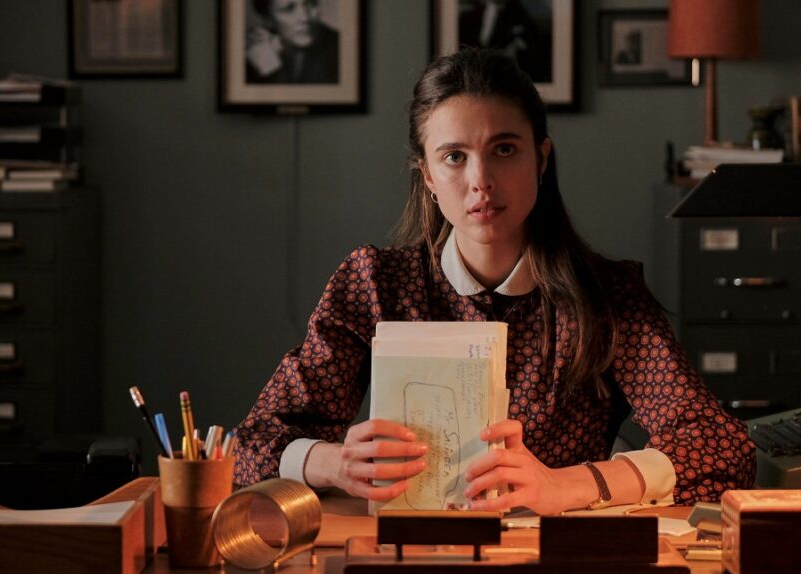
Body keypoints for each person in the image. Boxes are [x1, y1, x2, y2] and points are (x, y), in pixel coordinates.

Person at [233, 48, 755, 514]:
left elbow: (720, 447)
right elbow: (249, 445)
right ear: (429, 178)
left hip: (557, 560)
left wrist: (568, 486)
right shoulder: (376, 284)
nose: (480, 180)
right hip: (410, 556)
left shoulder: (606, 296)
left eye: (504, 149)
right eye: (454, 157)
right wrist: (334, 463)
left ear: (541, 159)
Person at [246, 0, 339, 84]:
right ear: (268, 19)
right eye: (288, 9)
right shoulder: (252, 53)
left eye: (311, 4)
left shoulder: (341, 49)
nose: (305, 18)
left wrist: (273, 74)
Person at [457, 0, 552, 83]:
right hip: (473, 76)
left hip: (504, 76)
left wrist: (516, 47)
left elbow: (532, 48)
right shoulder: (469, 15)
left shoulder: (520, 15)